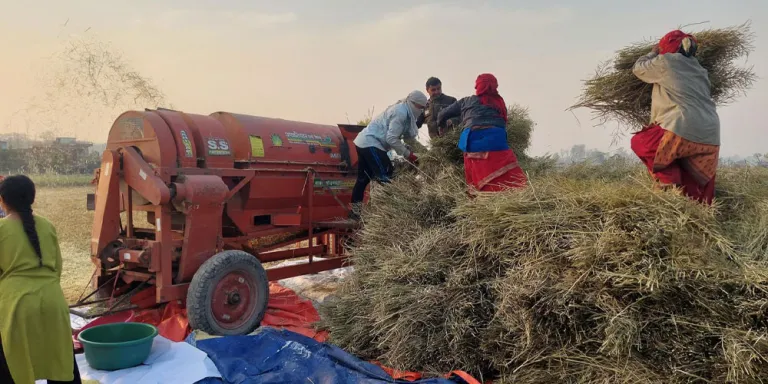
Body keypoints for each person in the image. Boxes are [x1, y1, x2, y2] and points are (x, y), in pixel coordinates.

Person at [0, 175, 82, 384]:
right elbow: (57, 268)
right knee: (61, 362)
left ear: (2, 200)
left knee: (11, 364)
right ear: (32, 199)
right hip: (53, 301)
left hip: (16, 305)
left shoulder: (1, 229)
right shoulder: (47, 226)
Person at [630, 30, 720, 205]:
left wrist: (653, 52)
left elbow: (638, 68)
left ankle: (668, 179)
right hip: (711, 133)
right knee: (696, 191)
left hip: (682, 126)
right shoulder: (701, 70)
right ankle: (701, 220)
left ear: (667, 47)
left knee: (641, 143)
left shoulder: (666, 62)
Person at [437, 73, 527, 192]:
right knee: (509, 176)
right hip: (497, 142)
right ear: (495, 87)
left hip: (472, 142)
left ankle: (477, 196)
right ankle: (510, 194)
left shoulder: (466, 101)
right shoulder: (499, 103)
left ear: (477, 87)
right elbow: (503, 122)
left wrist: (442, 129)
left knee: (475, 171)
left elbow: (442, 114)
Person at [351, 90, 427, 218]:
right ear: (414, 104)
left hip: (363, 141)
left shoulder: (407, 112)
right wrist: (409, 154)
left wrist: (424, 152)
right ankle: (390, 215)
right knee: (387, 177)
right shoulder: (401, 113)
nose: (420, 111)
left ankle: (354, 213)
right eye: (421, 108)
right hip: (371, 142)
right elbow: (391, 138)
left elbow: (409, 139)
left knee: (363, 179)